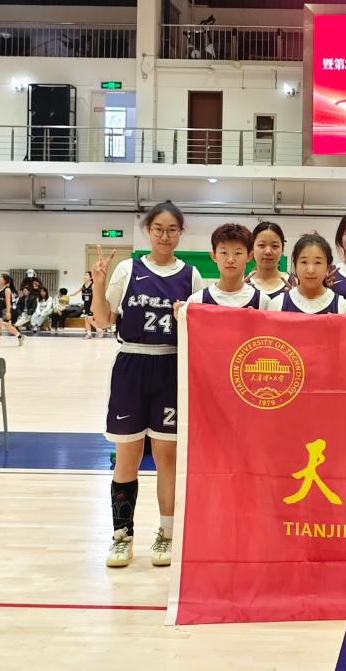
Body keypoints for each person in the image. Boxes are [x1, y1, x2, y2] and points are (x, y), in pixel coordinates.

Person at [90, 201, 204, 568]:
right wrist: (98, 285)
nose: (165, 236)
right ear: (147, 231)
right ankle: (121, 538)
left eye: (172, 230)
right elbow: (103, 320)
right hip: (132, 364)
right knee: (128, 455)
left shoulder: (192, 276)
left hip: (171, 366)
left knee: (168, 456)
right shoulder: (128, 269)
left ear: (180, 233)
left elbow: (201, 329)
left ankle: (166, 535)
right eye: (158, 229)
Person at [185, 223, 271, 310]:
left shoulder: (263, 302)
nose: (230, 260)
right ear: (214, 256)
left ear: (249, 256)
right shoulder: (197, 301)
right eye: (224, 252)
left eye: (238, 253)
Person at [269, 233, 346, 315]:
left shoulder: (342, 307)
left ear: (328, 268)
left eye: (318, 262)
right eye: (304, 262)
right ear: (295, 266)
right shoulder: (277, 304)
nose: (310, 270)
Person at [248, 221, 291, 300]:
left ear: (282, 250)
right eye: (262, 245)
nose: (268, 251)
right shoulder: (243, 284)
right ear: (252, 248)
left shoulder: (293, 284)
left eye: (275, 246)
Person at [0, 274, 24, 348]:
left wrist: (8, 312)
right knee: (8, 327)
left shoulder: (7, 290)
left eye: (1, 277)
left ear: (4, 280)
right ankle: (20, 336)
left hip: (5, 310)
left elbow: (8, 302)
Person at [71, 271, 103, 339]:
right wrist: (68, 295)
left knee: (90, 319)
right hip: (86, 304)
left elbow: (95, 297)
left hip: (92, 304)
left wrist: (92, 306)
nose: (85, 276)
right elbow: (76, 292)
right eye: (85, 275)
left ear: (91, 277)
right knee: (86, 319)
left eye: (87, 275)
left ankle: (100, 330)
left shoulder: (93, 285)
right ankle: (89, 334)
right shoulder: (83, 285)